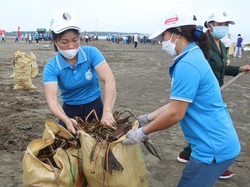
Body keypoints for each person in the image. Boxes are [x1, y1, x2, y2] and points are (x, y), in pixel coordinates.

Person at [122, 11, 241, 187]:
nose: (162, 41)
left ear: (176, 33)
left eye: (163, 36)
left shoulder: (187, 64)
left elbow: (176, 114)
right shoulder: (193, 55)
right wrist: (147, 118)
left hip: (212, 149)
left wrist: (142, 133)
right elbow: (177, 105)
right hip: (220, 143)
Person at [177, 10, 250, 179]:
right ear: (210, 25)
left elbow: (222, 68)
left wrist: (239, 69)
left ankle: (187, 153)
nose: (224, 27)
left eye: (226, 24)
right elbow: (198, 68)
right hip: (204, 92)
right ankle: (215, 160)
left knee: (207, 125)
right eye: (220, 24)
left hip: (216, 90)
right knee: (210, 127)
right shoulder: (203, 43)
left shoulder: (222, 46)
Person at [43, 8, 116, 134]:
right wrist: (66, 119)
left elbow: (109, 80)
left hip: (96, 107)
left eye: (75, 40)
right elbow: (52, 99)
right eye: (64, 42)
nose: (71, 46)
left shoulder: (91, 53)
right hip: (70, 111)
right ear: (55, 42)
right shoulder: (51, 67)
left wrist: (107, 111)